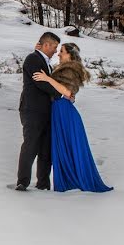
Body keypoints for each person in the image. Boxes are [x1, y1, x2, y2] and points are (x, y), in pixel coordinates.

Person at [32, 42, 112, 192]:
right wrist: (39, 51)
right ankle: (68, 180)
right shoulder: (64, 68)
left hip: (64, 110)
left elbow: (67, 92)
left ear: (69, 54)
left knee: (69, 146)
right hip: (59, 110)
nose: (58, 53)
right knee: (64, 146)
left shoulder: (69, 70)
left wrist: (47, 79)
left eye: (61, 51)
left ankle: (73, 181)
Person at [14, 32, 63, 191]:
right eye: (55, 47)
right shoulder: (33, 59)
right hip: (32, 110)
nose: (56, 51)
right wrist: (59, 92)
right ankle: (22, 182)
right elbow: (40, 83)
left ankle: (43, 184)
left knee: (45, 149)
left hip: (48, 112)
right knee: (31, 145)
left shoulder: (47, 63)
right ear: (47, 45)